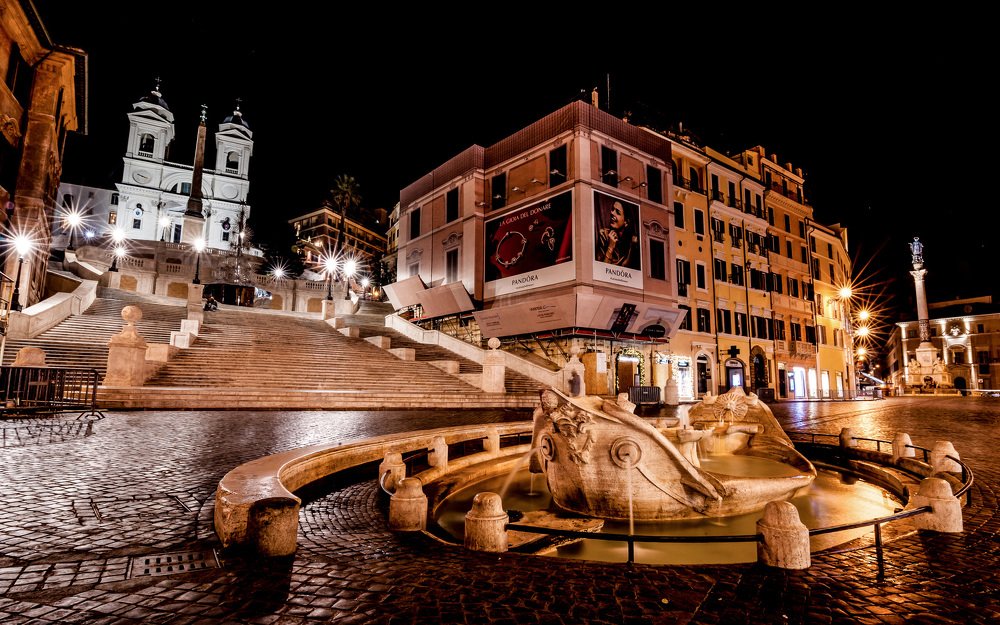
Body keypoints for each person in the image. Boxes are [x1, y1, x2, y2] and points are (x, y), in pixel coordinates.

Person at [596, 200, 638, 267]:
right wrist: (610, 247)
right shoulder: (604, 234)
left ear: (626, 222)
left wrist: (632, 246)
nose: (612, 213)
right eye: (612, 209)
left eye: (617, 212)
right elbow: (601, 269)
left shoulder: (632, 242)